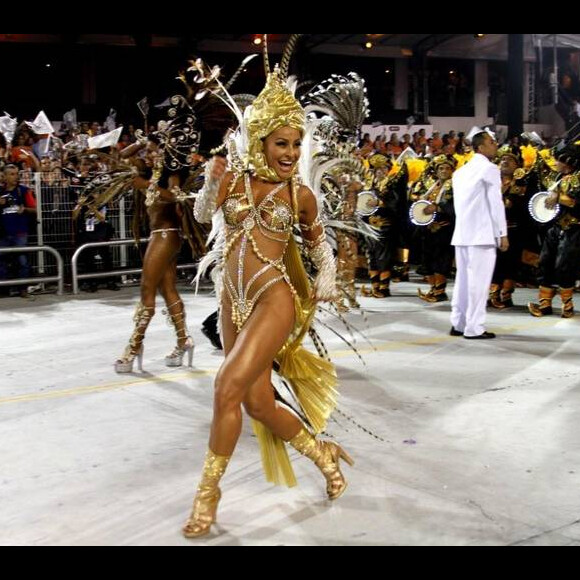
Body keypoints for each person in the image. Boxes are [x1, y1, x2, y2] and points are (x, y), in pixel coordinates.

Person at [183, 59, 353, 539]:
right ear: (260, 142)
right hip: (232, 302)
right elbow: (201, 214)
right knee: (257, 403)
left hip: (273, 299)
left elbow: (319, 244)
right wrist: (212, 181)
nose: (291, 152)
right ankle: (325, 456)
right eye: (282, 143)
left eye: (297, 143)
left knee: (224, 388)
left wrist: (328, 276)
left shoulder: (300, 193)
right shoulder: (234, 180)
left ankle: (207, 497)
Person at [450, 130, 508, 340]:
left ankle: (458, 322)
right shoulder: (490, 169)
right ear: (481, 147)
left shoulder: (460, 172)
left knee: (463, 281)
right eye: (492, 142)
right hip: (482, 234)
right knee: (479, 284)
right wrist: (502, 233)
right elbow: (495, 203)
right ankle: (474, 328)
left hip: (463, 233)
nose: (496, 145)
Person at [528, 145, 580, 318]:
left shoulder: (578, 177)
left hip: (574, 228)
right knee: (545, 262)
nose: (555, 163)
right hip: (555, 227)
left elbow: (575, 202)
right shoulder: (557, 177)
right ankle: (545, 304)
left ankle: (567, 305)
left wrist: (558, 197)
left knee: (564, 265)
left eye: (558, 160)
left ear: (568, 162)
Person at [0, 165, 38, 298]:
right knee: (1, 262)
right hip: (3, 233)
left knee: (22, 261)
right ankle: (3, 290)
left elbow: (35, 209)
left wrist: (25, 209)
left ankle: (23, 289)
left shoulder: (24, 190)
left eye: (16, 174)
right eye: (11, 174)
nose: (15, 176)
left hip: (20, 232)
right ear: (4, 176)